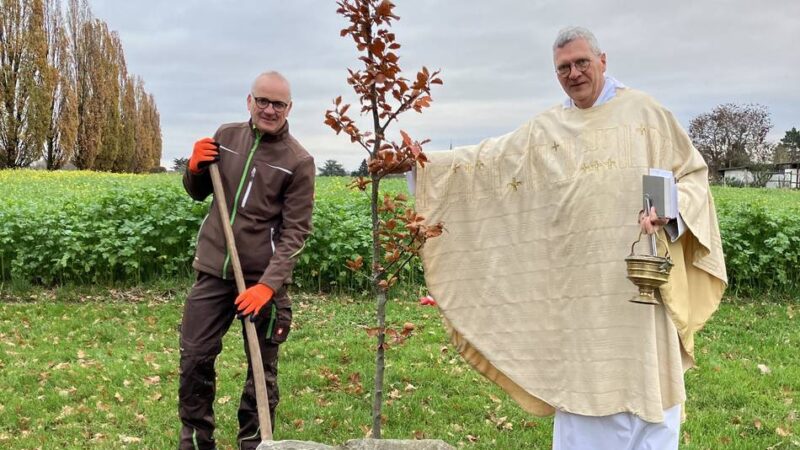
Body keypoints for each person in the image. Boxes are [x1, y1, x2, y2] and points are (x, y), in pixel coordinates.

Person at [412, 27, 726, 449]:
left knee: (647, 379)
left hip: (640, 285)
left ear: (602, 60)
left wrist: (670, 210)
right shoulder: (548, 129)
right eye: (564, 67)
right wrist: (419, 163)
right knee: (584, 389)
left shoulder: (647, 115)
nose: (574, 73)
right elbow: (488, 162)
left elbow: (693, 176)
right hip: (576, 293)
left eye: (582, 63)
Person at [179, 71, 315, 450]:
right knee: (194, 359)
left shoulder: (298, 161)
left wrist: (267, 287)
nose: (269, 110)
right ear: (249, 101)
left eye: (278, 104)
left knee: (261, 372)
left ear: (290, 108)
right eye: (263, 101)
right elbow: (198, 191)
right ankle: (195, 441)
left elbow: (295, 234)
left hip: (260, 282)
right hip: (213, 273)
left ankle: (255, 444)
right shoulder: (226, 137)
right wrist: (192, 169)